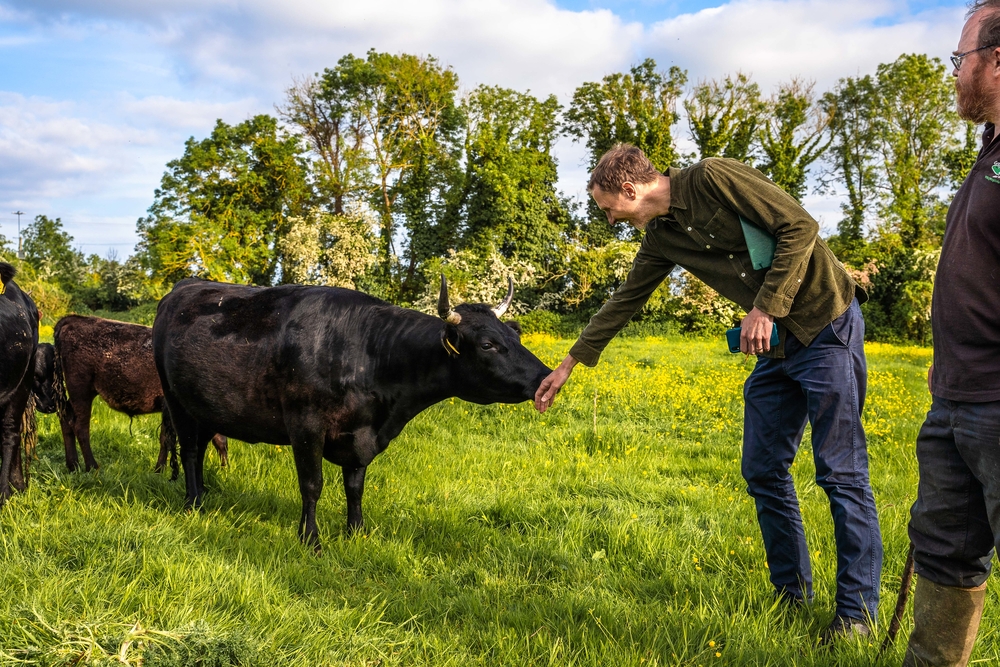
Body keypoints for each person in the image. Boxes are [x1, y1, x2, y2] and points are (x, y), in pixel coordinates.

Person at [534, 144, 882, 641]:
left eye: (608, 208)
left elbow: (800, 227)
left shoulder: (714, 177)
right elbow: (625, 299)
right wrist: (569, 363)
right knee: (763, 469)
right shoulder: (662, 237)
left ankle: (856, 618)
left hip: (826, 326)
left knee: (841, 473)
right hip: (777, 350)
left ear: (629, 191)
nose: (609, 219)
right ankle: (792, 597)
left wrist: (765, 307)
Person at [903, 3, 1000, 665]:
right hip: (956, 400)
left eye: (959, 58)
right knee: (945, 550)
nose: (954, 71)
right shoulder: (990, 152)